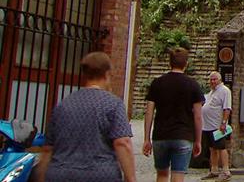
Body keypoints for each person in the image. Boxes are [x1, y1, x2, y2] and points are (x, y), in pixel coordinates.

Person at [36, 52, 135, 182]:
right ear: (106, 74)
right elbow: (122, 142)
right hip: (99, 173)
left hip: (60, 173)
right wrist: (131, 178)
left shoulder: (63, 105)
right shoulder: (113, 104)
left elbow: (48, 149)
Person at [143, 48, 204, 182]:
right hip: (183, 135)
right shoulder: (193, 85)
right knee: (178, 176)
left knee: (162, 175)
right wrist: (198, 140)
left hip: (161, 135)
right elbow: (198, 116)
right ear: (186, 64)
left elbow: (149, 112)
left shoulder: (157, 83)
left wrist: (146, 138)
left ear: (169, 63)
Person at [200, 72, 232, 182]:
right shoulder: (211, 92)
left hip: (217, 126)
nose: (213, 81)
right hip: (207, 126)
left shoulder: (224, 91)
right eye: (211, 79)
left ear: (220, 79)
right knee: (212, 148)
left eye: (215, 79)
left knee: (221, 147)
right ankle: (214, 170)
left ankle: (226, 171)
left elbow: (227, 108)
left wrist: (223, 122)